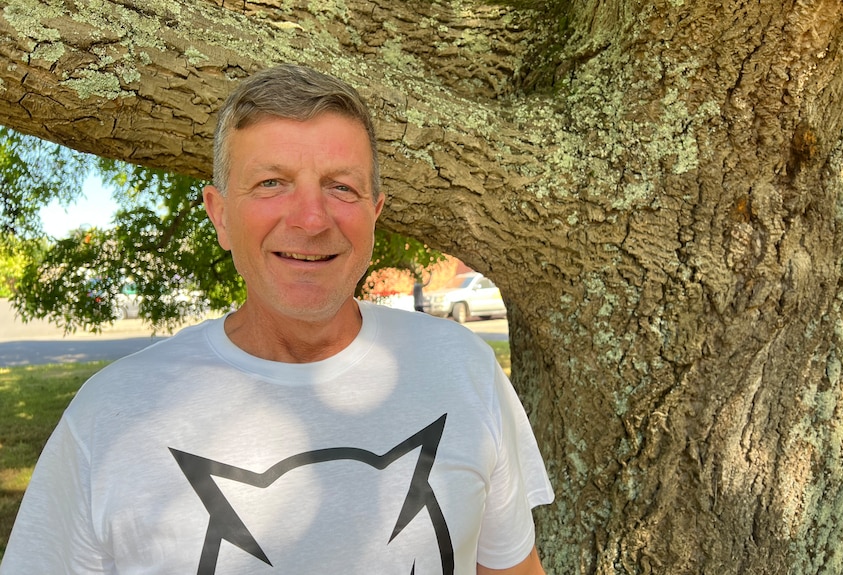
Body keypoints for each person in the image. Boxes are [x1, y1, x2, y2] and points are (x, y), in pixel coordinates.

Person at [0, 63, 553, 574]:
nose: (311, 219)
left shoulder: (462, 371)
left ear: (375, 214)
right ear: (220, 215)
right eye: (271, 183)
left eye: (342, 187)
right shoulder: (110, 416)